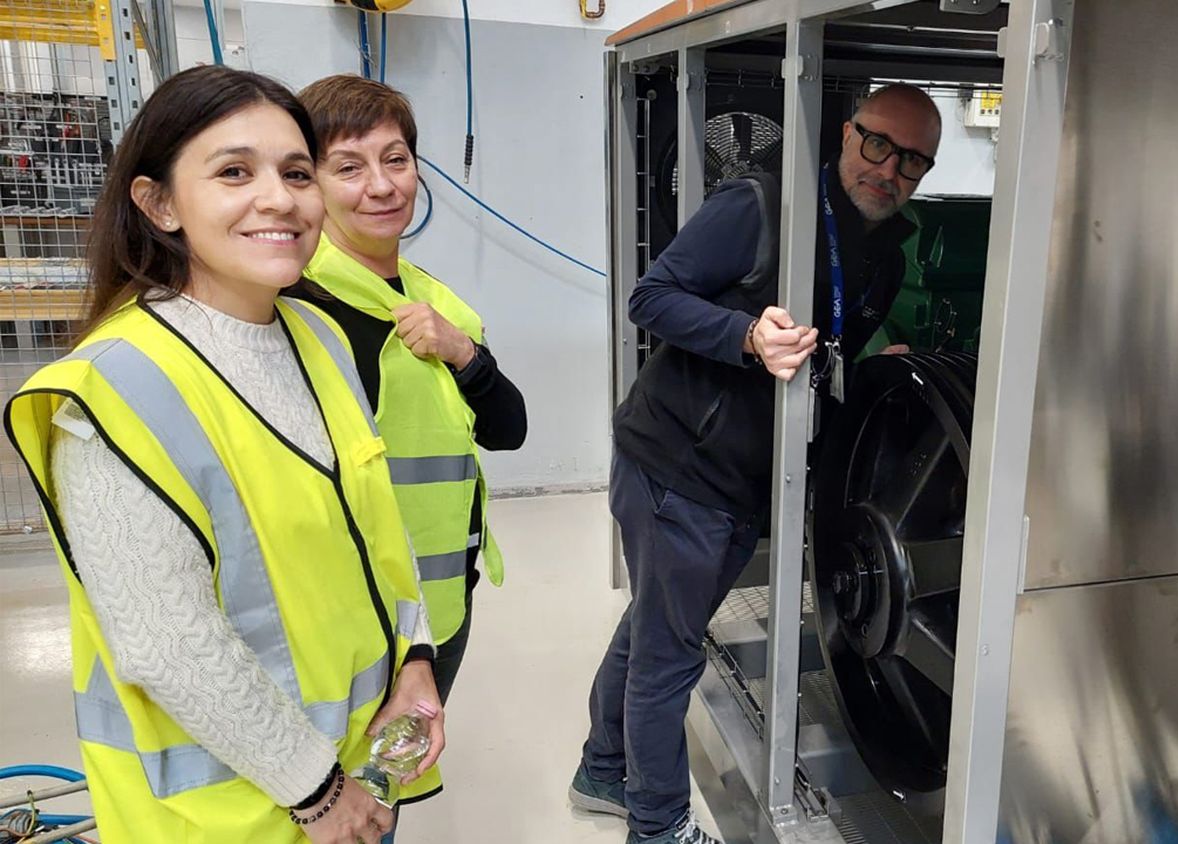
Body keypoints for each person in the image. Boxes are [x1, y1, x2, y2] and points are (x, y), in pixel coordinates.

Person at [4, 66, 444, 843]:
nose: (279, 198)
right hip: (232, 812)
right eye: (234, 172)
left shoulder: (318, 338)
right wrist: (316, 793)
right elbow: (170, 646)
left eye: (296, 172)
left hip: (358, 769)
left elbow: (376, 526)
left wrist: (415, 659)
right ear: (160, 203)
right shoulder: (113, 391)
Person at [570, 84, 943, 844]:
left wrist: (872, 362)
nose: (889, 169)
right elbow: (653, 296)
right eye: (878, 144)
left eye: (913, 160)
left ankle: (602, 770)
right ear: (846, 135)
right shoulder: (760, 204)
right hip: (680, 467)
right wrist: (745, 335)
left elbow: (825, 340)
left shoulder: (885, 249)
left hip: (746, 479)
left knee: (654, 629)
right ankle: (657, 825)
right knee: (668, 657)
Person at [290, 75, 527, 703]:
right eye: (348, 167)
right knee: (356, 795)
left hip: (445, 597)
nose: (381, 185)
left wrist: (463, 353)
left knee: (392, 785)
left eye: (396, 159)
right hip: (355, 619)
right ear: (309, 182)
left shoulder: (439, 303)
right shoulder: (298, 308)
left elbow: (509, 429)